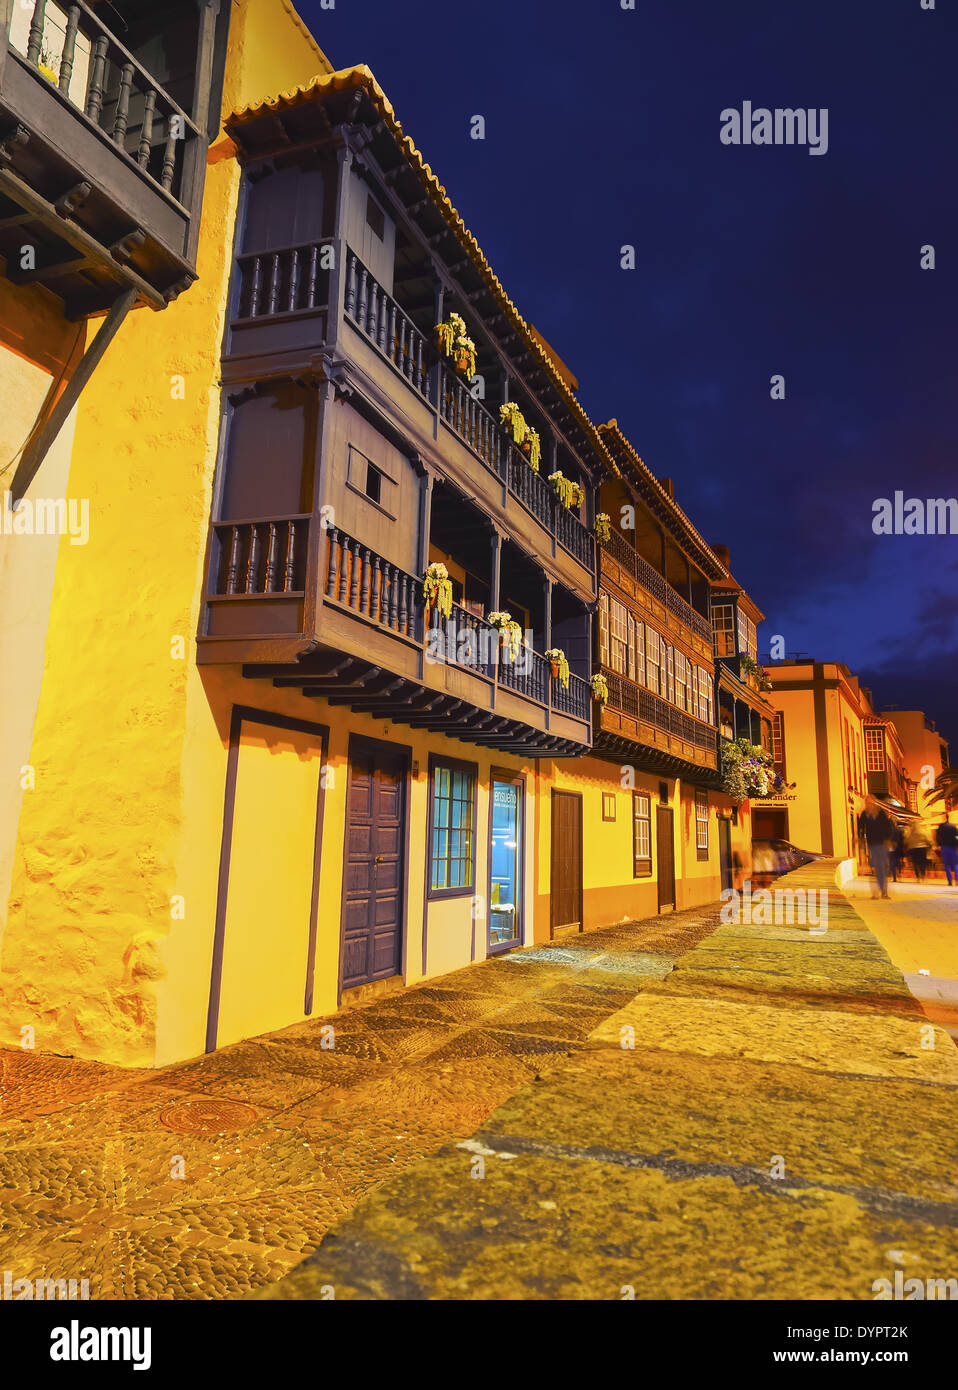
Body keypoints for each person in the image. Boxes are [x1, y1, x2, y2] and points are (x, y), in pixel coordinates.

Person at [857, 796, 897, 898]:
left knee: (882, 868)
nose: (868, 805)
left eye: (869, 803)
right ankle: (876, 892)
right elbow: (860, 827)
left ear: (874, 803)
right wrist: (860, 838)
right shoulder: (864, 814)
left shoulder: (881, 813)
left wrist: (888, 838)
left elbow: (888, 827)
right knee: (876, 868)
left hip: (882, 844)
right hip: (872, 844)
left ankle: (884, 892)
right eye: (866, 803)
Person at [935, 816, 958, 886]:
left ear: (944, 818)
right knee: (955, 864)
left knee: (947, 865)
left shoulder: (941, 827)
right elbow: (957, 837)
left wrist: (938, 844)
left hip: (944, 847)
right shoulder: (953, 827)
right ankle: (957, 879)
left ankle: (950, 881)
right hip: (953, 848)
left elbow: (937, 837)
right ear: (948, 818)